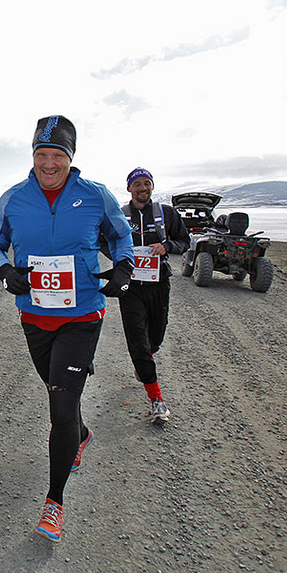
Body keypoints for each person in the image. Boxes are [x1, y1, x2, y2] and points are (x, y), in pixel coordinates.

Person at [0, 115, 134, 543]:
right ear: (32, 156)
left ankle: (54, 502)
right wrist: (4, 270)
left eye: (58, 156)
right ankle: (82, 435)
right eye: (41, 154)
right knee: (56, 390)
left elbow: (121, 237)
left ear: (70, 158)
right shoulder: (13, 199)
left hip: (83, 315)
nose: (49, 164)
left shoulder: (95, 196)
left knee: (61, 407)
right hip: (34, 317)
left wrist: (124, 266)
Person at [115, 167, 190, 424]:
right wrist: (119, 258)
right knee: (137, 339)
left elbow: (184, 241)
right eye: (137, 184)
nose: (142, 188)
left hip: (159, 283)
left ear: (152, 187)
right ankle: (156, 398)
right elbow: (103, 239)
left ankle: (146, 358)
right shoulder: (119, 215)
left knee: (155, 337)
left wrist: (166, 246)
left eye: (147, 183)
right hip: (131, 286)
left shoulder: (166, 213)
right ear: (129, 189)